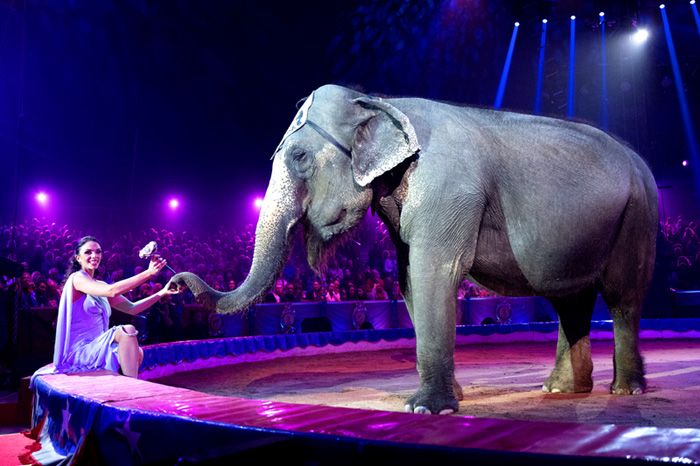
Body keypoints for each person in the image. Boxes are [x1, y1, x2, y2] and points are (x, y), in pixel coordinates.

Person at [35, 235, 180, 380]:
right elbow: (112, 291)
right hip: (80, 351)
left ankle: (126, 386)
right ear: (78, 258)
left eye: (98, 252)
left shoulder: (101, 286)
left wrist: (162, 292)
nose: (94, 255)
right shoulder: (77, 278)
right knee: (127, 330)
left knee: (138, 352)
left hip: (97, 348)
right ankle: (133, 388)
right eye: (88, 252)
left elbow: (132, 308)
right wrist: (148, 273)